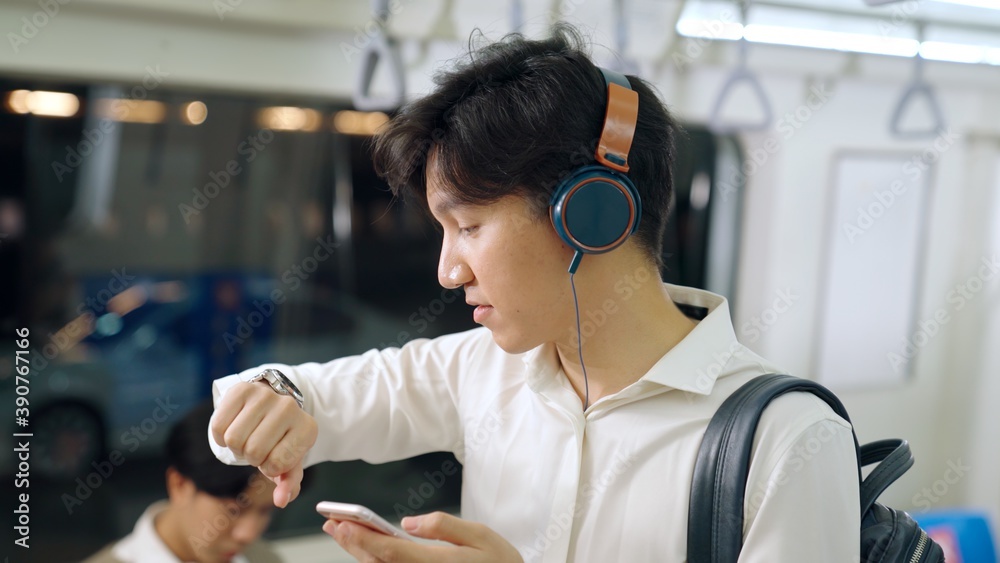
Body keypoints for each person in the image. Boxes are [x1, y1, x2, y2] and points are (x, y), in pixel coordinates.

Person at [209, 24, 860, 562]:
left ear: (591, 214)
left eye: (467, 226)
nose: (448, 270)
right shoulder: (480, 372)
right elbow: (283, 398)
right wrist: (276, 404)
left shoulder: (787, 438)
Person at [86, 401, 282, 563]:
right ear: (179, 485)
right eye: (233, 510)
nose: (248, 534)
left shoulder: (263, 558)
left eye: (265, 510)